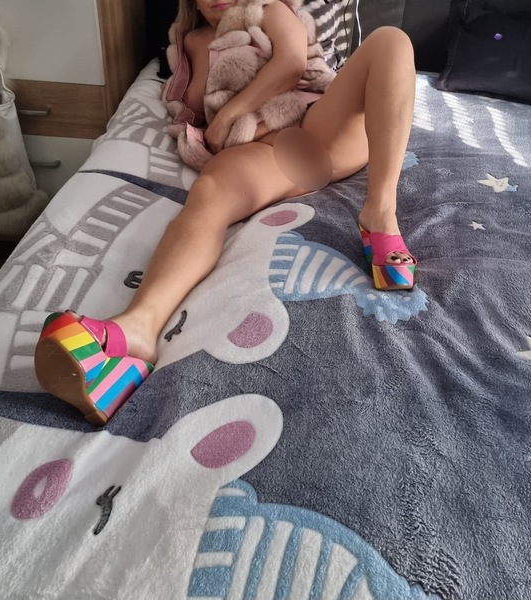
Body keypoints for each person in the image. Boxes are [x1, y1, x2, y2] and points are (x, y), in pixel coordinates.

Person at [33, 0, 418, 426]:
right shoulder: (188, 45)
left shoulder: (269, 9)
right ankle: (135, 334)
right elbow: (196, 110)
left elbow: (290, 64)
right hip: (264, 152)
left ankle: (380, 213)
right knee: (210, 193)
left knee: (391, 41)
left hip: (319, 122)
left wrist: (230, 113)